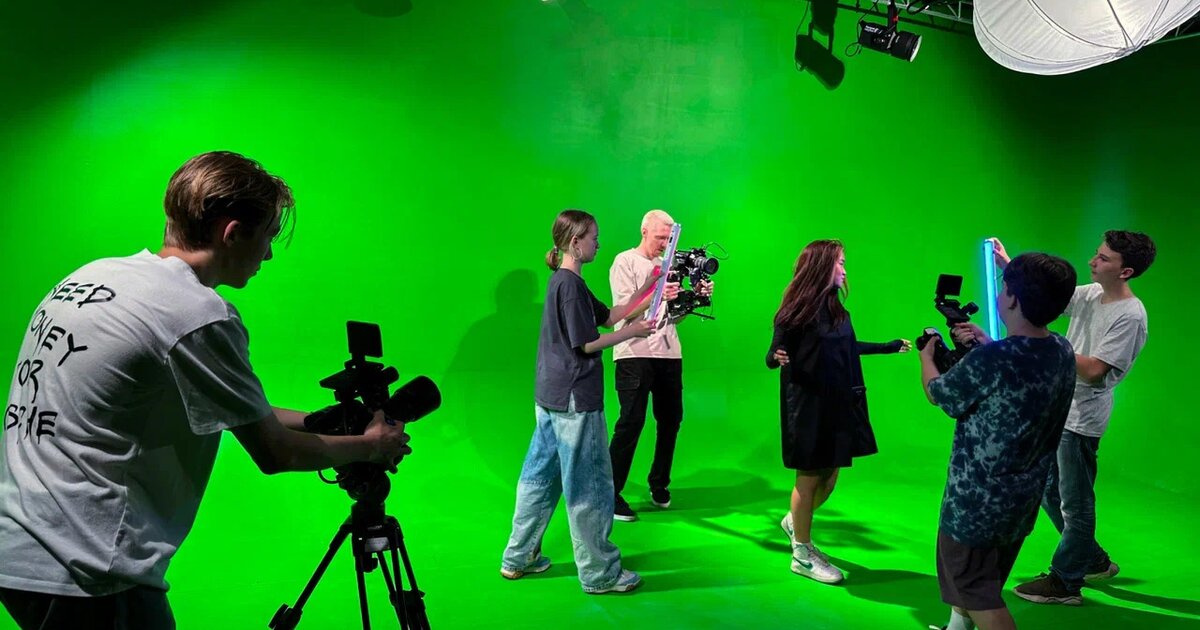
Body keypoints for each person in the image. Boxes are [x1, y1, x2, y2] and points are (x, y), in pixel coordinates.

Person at [0, 151, 412, 629]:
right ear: (232, 233)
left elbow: (223, 406)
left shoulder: (92, 278)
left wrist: (321, 421)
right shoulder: (195, 314)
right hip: (88, 567)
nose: (268, 255)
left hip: (20, 544)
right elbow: (275, 452)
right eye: (268, 236)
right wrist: (372, 445)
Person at [499, 209, 675, 594]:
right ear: (576, 242)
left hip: (550, 396)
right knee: (590, 486)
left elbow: (611, 316)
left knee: (539, 479)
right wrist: (635, 331)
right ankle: (600, 573)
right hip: (576, 398)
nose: (599, 243)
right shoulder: (570, 286)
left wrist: (651, 287)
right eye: (594, 237)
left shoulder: (565, 282)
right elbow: (588, 344)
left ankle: (519, 556)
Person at [983, 233, 1154, 606]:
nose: (1093, 261)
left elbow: (1094, 371)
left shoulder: (1130, 316)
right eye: (1096, 254)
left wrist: (1047, 346)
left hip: (1082, 419)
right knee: (1049, 490)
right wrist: (1009, 266)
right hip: (1058, 408)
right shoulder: (1091, 293)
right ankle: (1091, 560)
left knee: (1075, 504)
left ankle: (1066, 582)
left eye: (1103, 258)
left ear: (1125, 271)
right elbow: (1051, 298)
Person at [921, 252, 1078, 630]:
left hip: (975, 503)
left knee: (975, 589)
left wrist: (927, 356)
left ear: (1012, 299)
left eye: (1003, 286)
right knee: (986, 580)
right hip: (1021, 500)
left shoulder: (993, 359)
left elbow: (940, 393)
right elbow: (1015, 368)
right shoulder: (1061, 349)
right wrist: (986, 343)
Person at [766, 239, 910, 584]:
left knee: (830, 478)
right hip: (808, 407)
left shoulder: (836, 310)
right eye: (840, 263)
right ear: (821, 266)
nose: (845, 270)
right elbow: (772, 355)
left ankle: (795, 522)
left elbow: (846, 347)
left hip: (838, 403)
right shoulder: (793, 312)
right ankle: (802, 554)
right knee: (809, 478)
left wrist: (887, 347)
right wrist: (777, 356)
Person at [607, 209, 712, 521]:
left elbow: (673, 318)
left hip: (668, 353)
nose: (665, 244)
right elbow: (622, 312)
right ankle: (609, 493)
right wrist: (659, 295)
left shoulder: (671, 266)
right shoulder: (625, 261)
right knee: (631, 422)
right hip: (633, 352)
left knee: (671, 421)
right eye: (660, 238)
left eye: (669, 239)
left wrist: (693, 298)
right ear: (644, 231)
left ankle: (659, 483)